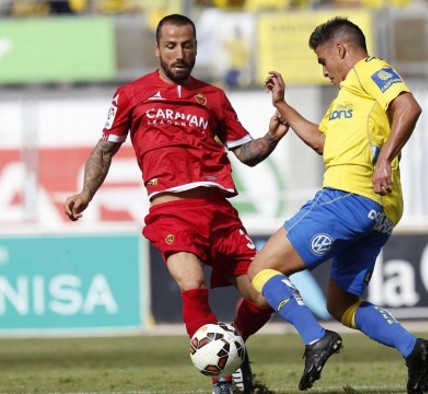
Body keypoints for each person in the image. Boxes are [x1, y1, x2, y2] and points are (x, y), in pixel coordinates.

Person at [63, 14, 287, 394]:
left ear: (197, 47)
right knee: (192, 283)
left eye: (187, 45)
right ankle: (222, 379)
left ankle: (231, 345)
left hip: (219, 212)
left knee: (263, 295)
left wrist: (272, 136)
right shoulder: (131, 95)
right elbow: (105, 148)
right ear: (157, 49)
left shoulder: (213, 96)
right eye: (171, 46)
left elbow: (245, 154)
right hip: (171, 210)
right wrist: (87, 193)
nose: (180, 54)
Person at [247, 17, 428, 393]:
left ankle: (314, 337)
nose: (323, 70)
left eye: (322, 60)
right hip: (375, 210)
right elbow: (321, 141)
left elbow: (408, 107)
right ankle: (414, 349)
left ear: (341, 50)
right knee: (341, 302)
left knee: (261, 269)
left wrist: (384, 160)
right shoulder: (347, 98)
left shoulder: (370, 70)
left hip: (347, 196)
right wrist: (282, 106)